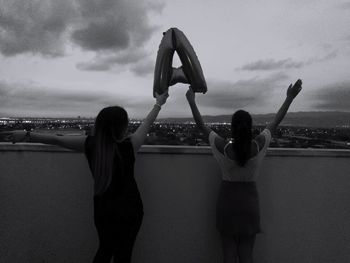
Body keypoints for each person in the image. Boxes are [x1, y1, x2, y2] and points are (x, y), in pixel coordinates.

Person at [1, 91, 169, 263]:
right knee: (124, 253)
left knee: (105, 249)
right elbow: (147, 122)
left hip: (103, 208)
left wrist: (27, 135)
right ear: (122, 127)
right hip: (131, 208)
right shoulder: (130, 145)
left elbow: (56, 139)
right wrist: (159, 103)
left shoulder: (90, 144)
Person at [186, 79, 302, 263]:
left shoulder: (223, 148)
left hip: (227, 205)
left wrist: (191, 101)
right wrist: (289, 98)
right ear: (250, 127)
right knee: (247, 255)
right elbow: (275, 122)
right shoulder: (259, 145)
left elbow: (201, 126)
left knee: (229, 255)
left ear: (232, 127)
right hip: (250, 206)